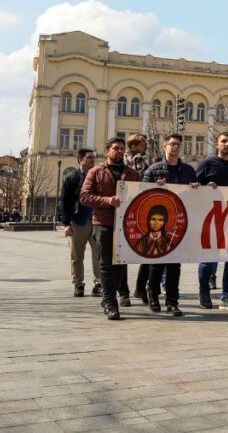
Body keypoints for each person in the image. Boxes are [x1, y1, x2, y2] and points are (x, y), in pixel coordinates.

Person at [80, 137, 141, 320]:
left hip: (126, 224)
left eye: (122, 148)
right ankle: (110, 302)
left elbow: (141, 194)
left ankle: (109, 296)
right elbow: (84, 197)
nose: (120, 151)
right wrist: (107, 201)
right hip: (103, 223)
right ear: (107, 151)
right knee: (107, 265)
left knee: (121, 264)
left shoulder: (132, 173)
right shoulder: (96, 172)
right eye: (116, 148)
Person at [142, 133, 198, 317]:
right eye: (172, 144)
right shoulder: (153, 170)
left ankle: (172, 302)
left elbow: (195, 195)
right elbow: (142, 194)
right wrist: (154, 187)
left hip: (179, 223)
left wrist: (196, 188)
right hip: (158, 223)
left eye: (178, 144)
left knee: (175, 265)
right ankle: (153, 296)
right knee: (156, 263)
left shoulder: (188, 171)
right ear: (164, 146)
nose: (175, 147)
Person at [195, 132, 228, 311]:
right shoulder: (206, 164)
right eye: (223, 141)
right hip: (210, 219)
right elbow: (193, 187)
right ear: (217, 145)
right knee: (208, 258)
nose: (227, 144)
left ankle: (227, 296)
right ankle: (204, 292)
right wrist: (205, 187)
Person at [61, 148, 101, 298]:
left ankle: (98, 284)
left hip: (97, 221)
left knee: (99, 255)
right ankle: (78, 284)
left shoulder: (99, 177)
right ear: (80, 160)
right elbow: (64, 201)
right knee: (76, 256)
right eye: (89, 157)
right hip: (78, 222)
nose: (92, 160)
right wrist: (66, 223)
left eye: (93, 157)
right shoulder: (72, 178)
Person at [126, 134, 153, 306]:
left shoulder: (123, 159)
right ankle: (140, 287)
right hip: (138, 205)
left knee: (122, 254)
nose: (145, 147)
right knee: (148, 253)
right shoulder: (138, 159)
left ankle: (124, 291)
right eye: (142, 144)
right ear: (134, 146)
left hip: (126, 205)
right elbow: (144, 179)